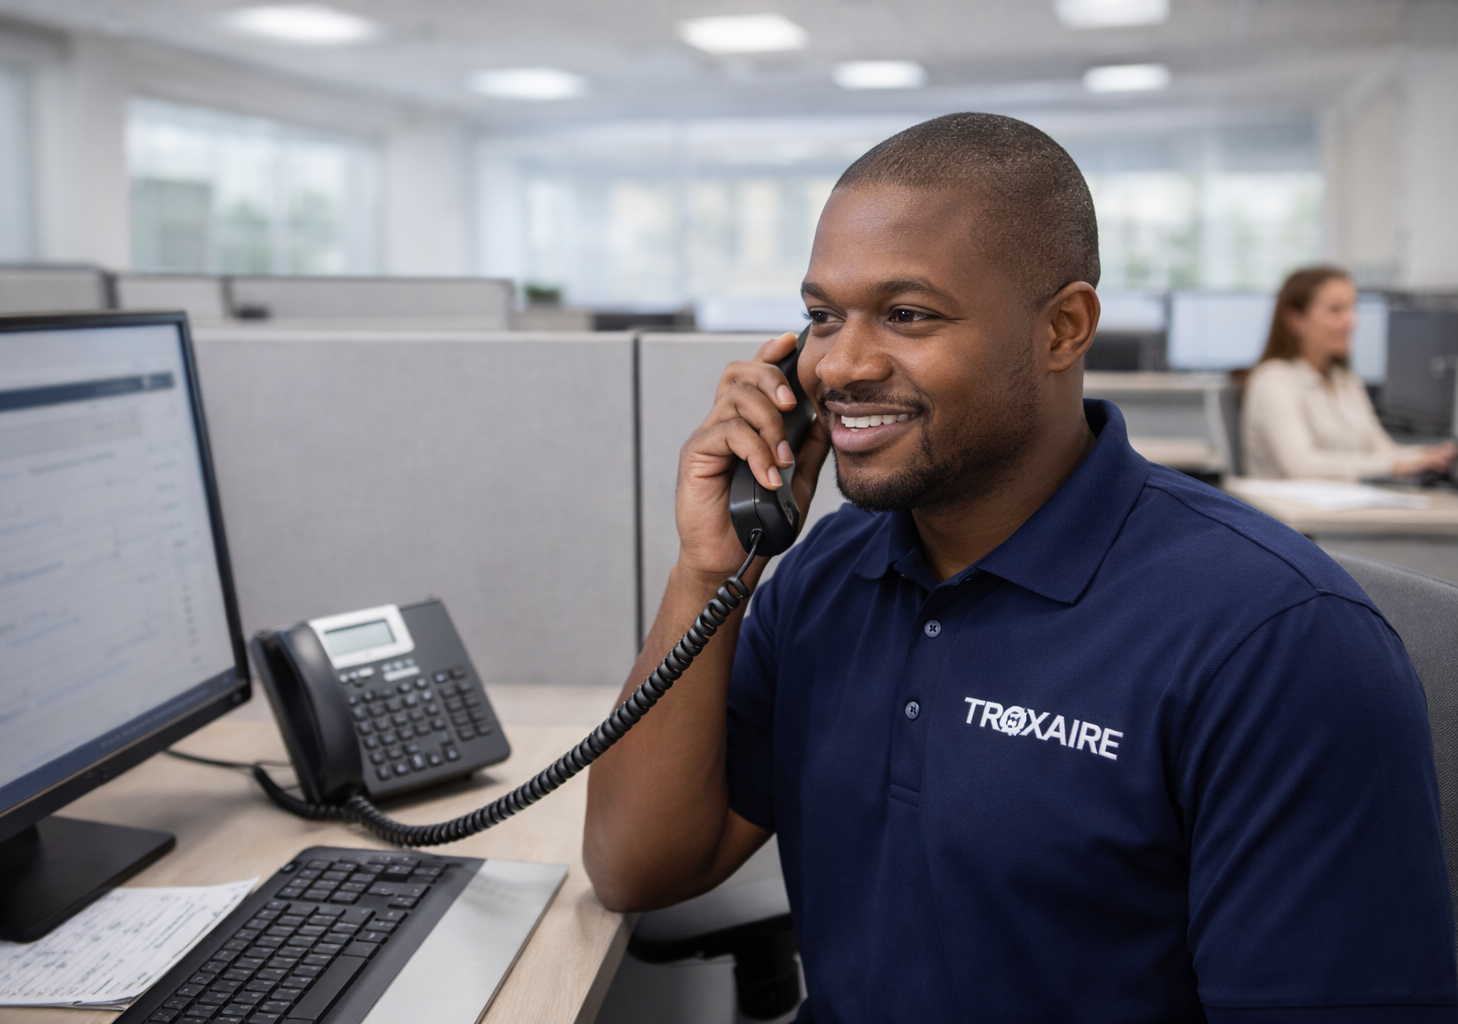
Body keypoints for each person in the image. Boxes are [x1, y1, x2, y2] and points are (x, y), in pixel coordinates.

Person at [584, 113, 1457, 1022]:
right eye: (820, 317)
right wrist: (710, 571)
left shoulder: (1277, 639)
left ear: (1063, 328)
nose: (837, 365)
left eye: (907, 315)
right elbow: (637, 867)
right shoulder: (823, 576)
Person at [1241, 265, 1457, 479]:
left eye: (1352, 308)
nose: (1352, 321)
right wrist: (1393, 465)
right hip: (1288, 511)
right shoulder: (1274, 380)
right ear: (1295, 320)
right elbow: (1299, 464)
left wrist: (1428, 456)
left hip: (1341, 507)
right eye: (1336, 310)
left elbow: (1381, 450)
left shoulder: (1344, 380)